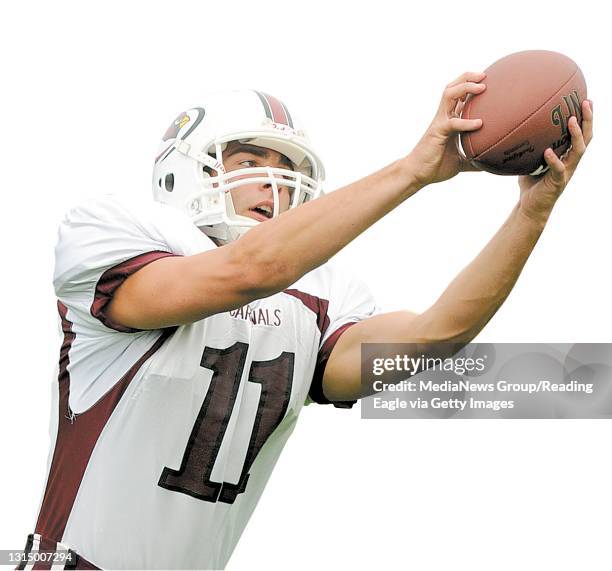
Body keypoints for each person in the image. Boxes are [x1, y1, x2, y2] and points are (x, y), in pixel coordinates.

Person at [22, 78, 593, 570]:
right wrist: (414, 170)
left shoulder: (319, 294)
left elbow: (434, 335)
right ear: (184, 171)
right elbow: (250, 271)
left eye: (286, 170)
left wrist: (530, 213)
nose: (274, 184)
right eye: (249, 163)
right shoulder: (111, 229)